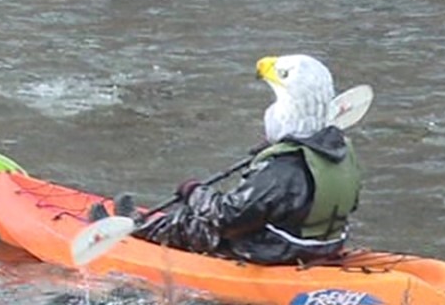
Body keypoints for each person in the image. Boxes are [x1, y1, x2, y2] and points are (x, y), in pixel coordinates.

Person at [126, 54, 362, 265]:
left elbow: (228, 217)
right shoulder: (343, 151)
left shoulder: (282, 168)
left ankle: (130, 234)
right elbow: (350, 203)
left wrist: (194, 192)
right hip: (326, 243)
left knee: (194, 223)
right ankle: (139, 225)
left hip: (277, 251)